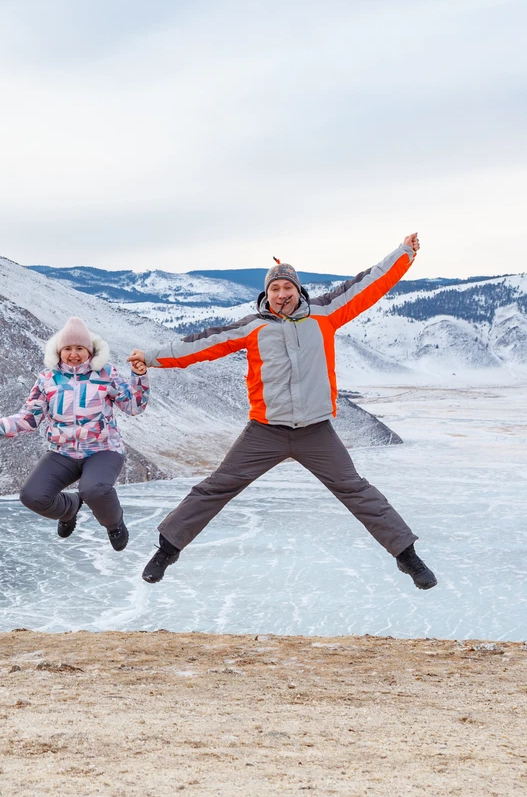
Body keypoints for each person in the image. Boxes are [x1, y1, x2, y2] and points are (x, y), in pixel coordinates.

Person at [128, 234, 438, 590]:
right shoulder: (252, 327)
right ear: (267, 294)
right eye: (274, 288)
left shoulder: (324, 314)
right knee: (217, 486)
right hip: (265, 432)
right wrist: (150, 358)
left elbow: (368, 285)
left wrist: (404, 253)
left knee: (356, 490)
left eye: (287, 287)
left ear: (298, 290)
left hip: (315, 432)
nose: (281, 294)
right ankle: (166, 551)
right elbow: (200, 345)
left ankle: (407, 556)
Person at [0, 317, 150, 550]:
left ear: (90, 351)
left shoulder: (106, 374)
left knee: (93, 489)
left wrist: (139, 376)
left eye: (80, 348)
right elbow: (27, 419)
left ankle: (114, 524)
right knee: (32, 496)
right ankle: (70, 508)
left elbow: (134, 406)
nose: (73, 354)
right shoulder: (47, 379)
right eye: (68, 348)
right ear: (58, 351)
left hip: (103, 450)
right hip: (62, 452)